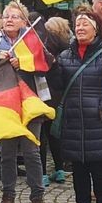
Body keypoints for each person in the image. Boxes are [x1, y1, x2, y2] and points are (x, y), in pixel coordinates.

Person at [0, 1, 50, 203]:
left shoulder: (33, 41)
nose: (9, 19)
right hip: (5, 102)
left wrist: (24, 62)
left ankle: (38, 200)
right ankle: (8, 199)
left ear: (24, 21)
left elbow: (47, 63)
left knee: (31, 152)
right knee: (6, 153)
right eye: (7, 16)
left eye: (15, 17)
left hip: (30, 101)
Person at [53, 10, 102, 203]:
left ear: (96, 28)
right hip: (74, 122)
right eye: (77, 24)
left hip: (98, 122)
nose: (80, 28)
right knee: (78, 172)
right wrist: (51, 67)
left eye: (85, 24)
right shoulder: (64, 56)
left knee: (99, 171)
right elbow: (58, 85)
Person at [40, 16, 72, 185]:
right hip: (59, 97)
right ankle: (59, 170)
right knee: (55, 134)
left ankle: (43, 174)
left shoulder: (43, 46)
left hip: (43, 95)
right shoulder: (67, 48)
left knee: (41, 135)